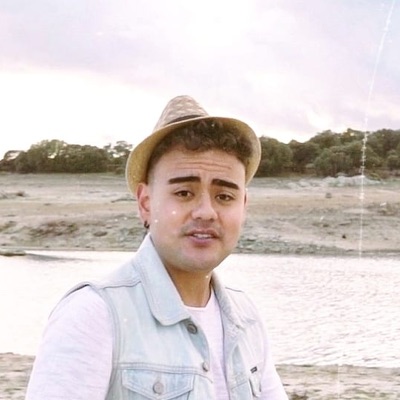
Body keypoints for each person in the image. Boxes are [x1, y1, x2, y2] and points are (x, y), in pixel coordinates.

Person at [26, 95, 288, 399]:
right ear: (145, 203)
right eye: (184, 192)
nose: (206, 212)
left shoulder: (246, 317)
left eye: (224, 197)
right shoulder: (94, 314)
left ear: (243, 206)